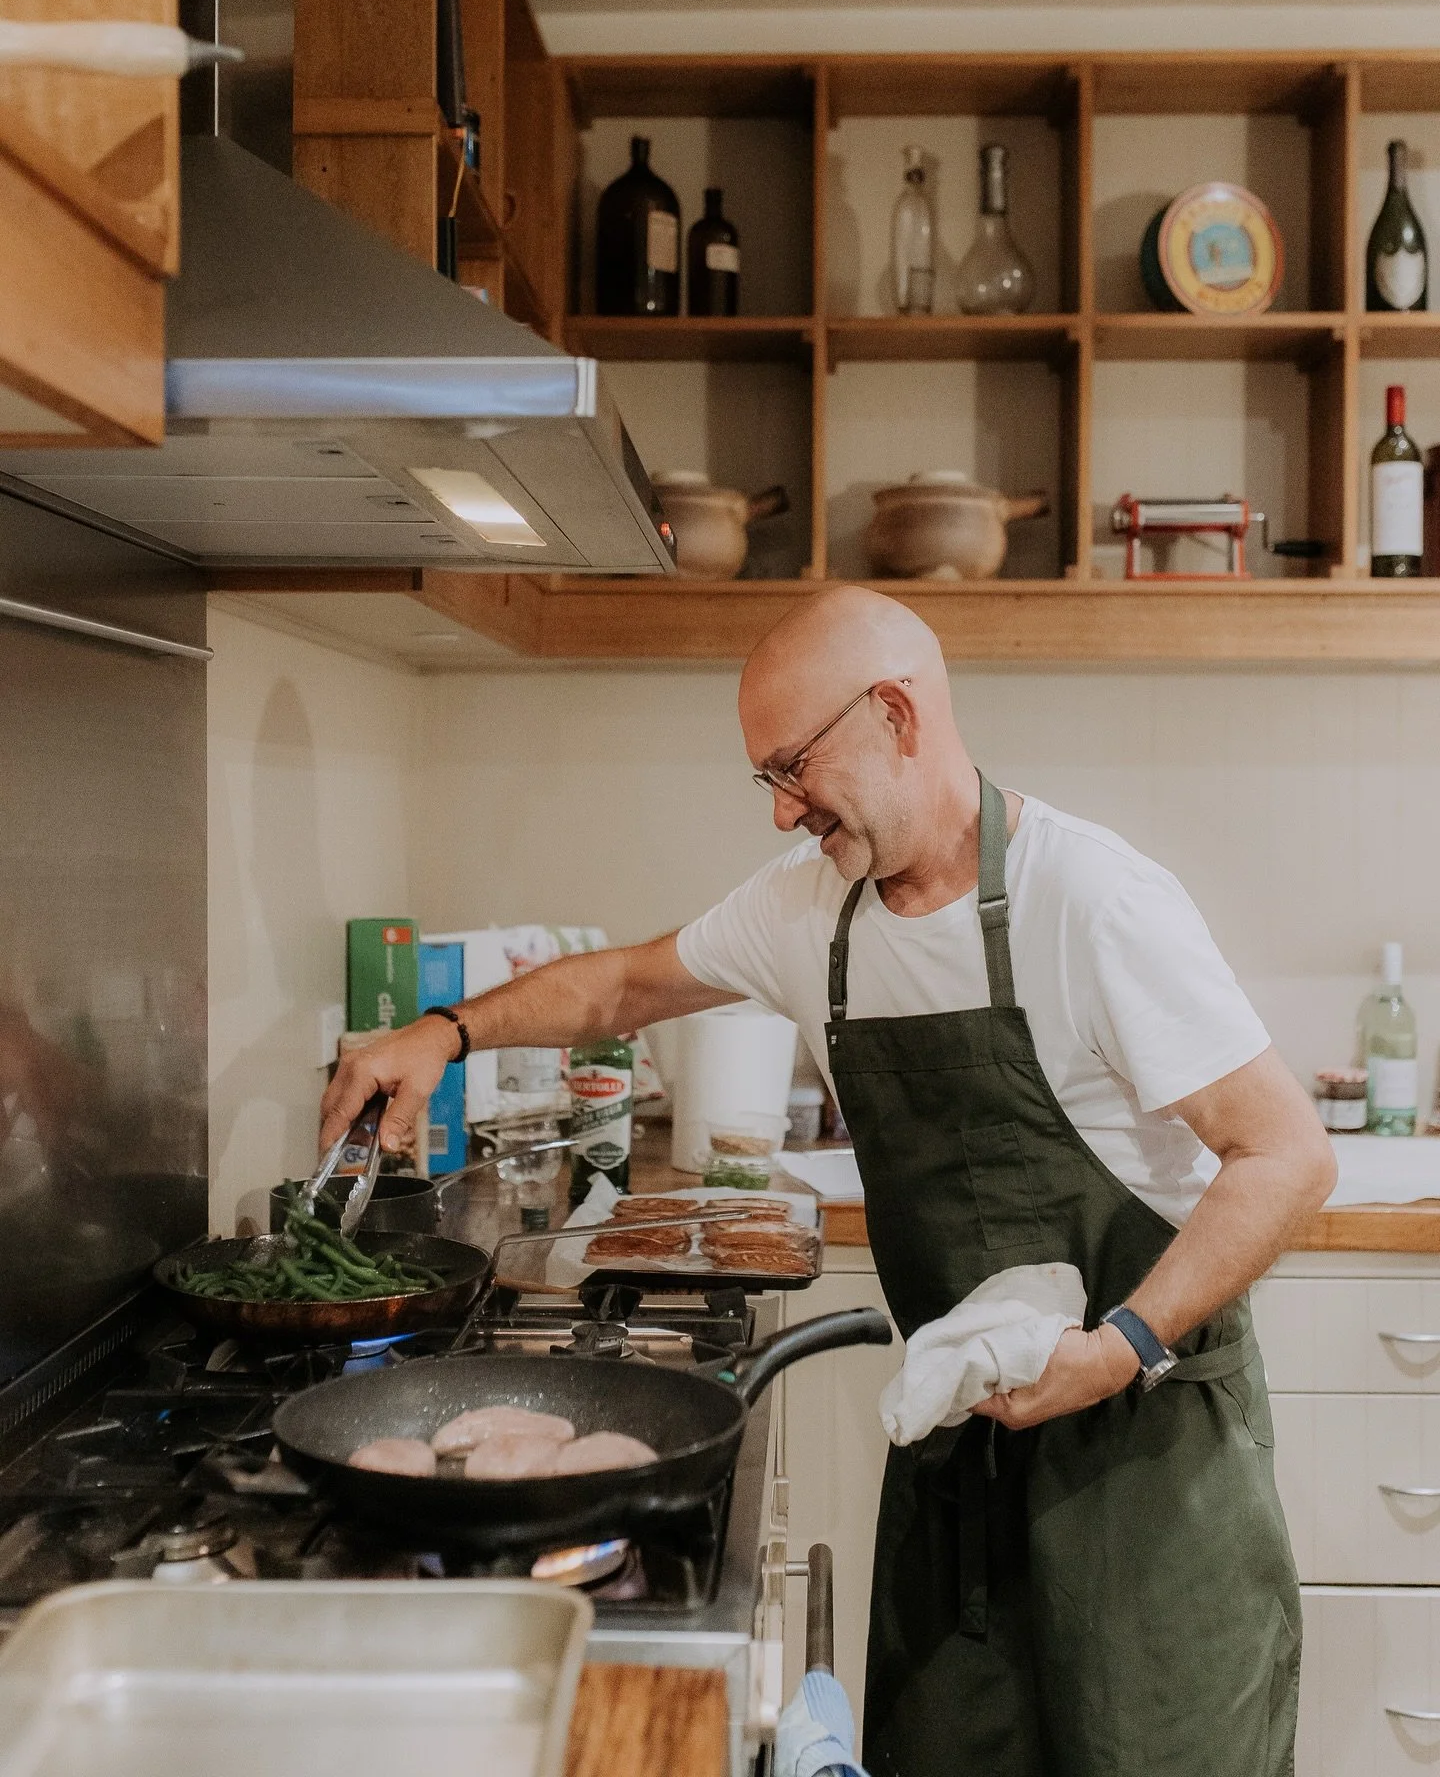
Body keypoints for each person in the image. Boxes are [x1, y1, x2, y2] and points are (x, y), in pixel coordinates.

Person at [320, 585, 1335, 1777]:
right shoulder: (815, 914)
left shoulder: (1093, 901)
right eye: (768, 779)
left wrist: (1115, 1348)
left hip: (1145, 1474)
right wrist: (441, 1032)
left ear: (897, 714)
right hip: (961, 1461)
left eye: (794, 768)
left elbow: (1288, 1156)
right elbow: (622, 988)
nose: (783, 812)